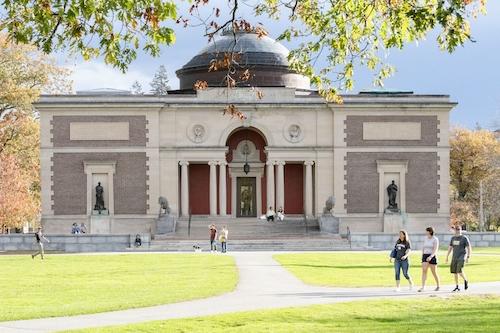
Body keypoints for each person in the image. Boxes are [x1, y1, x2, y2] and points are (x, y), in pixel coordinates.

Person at [446, 225, 472, 292]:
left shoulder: (464, 238)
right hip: (454, 256)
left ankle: (465, 280)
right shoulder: (453, 238)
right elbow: (450, 247)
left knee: (459, 270)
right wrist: (447, 256)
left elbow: (469, 248)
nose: (457, 231)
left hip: (462, 256)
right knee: (455, 272)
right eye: (456, 229)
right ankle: (457, 286)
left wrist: (468, 256)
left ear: (460, 230)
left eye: (459, 229)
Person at [418, 226, 441, 292]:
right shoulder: (425, 238)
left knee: (434, 272)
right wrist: (422, 254)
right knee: (424, 271)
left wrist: (431, 256)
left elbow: (435, 249)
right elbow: (423, 247)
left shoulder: (435, 239)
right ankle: (423, 287)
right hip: (425, 255)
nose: (426, 232)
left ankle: (438, 285)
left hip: (432, 256)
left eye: (427, 231)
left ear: (430, 231)